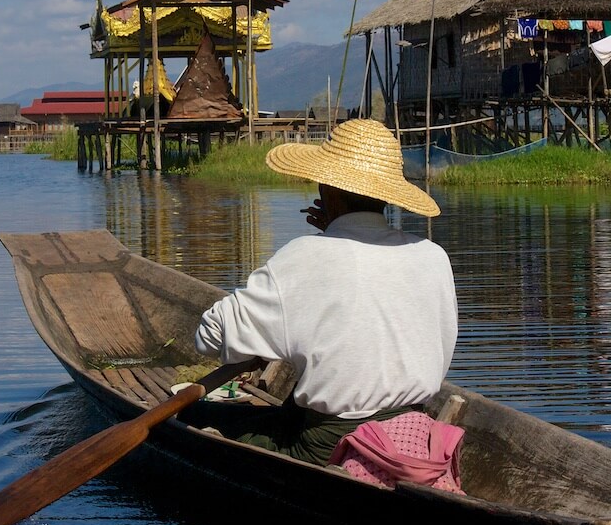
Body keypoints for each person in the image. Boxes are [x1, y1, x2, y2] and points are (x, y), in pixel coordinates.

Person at [191, 118, 458, 466]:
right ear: (385, 198)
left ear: (328, 190)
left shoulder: (305, 257)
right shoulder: (432, 256)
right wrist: (334, 232)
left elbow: (209, 337)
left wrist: (324, 243)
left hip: (328, 445)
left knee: (196, 420)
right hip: (412, 435)